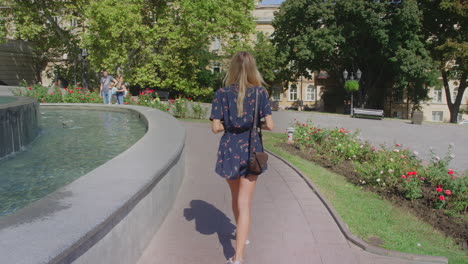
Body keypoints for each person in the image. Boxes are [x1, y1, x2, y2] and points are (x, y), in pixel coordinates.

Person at [210, 51, 274, 264]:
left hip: (229, 149)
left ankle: (240, 237)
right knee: (245, 202)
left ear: (232, 69)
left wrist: (229, 125)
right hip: (251, 150)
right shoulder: (260, 93)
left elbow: (215, 127)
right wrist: (256, 124)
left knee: (236, 198)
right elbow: (270, 125)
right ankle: (238, 257)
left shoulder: (221, 93)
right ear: (253, 68)